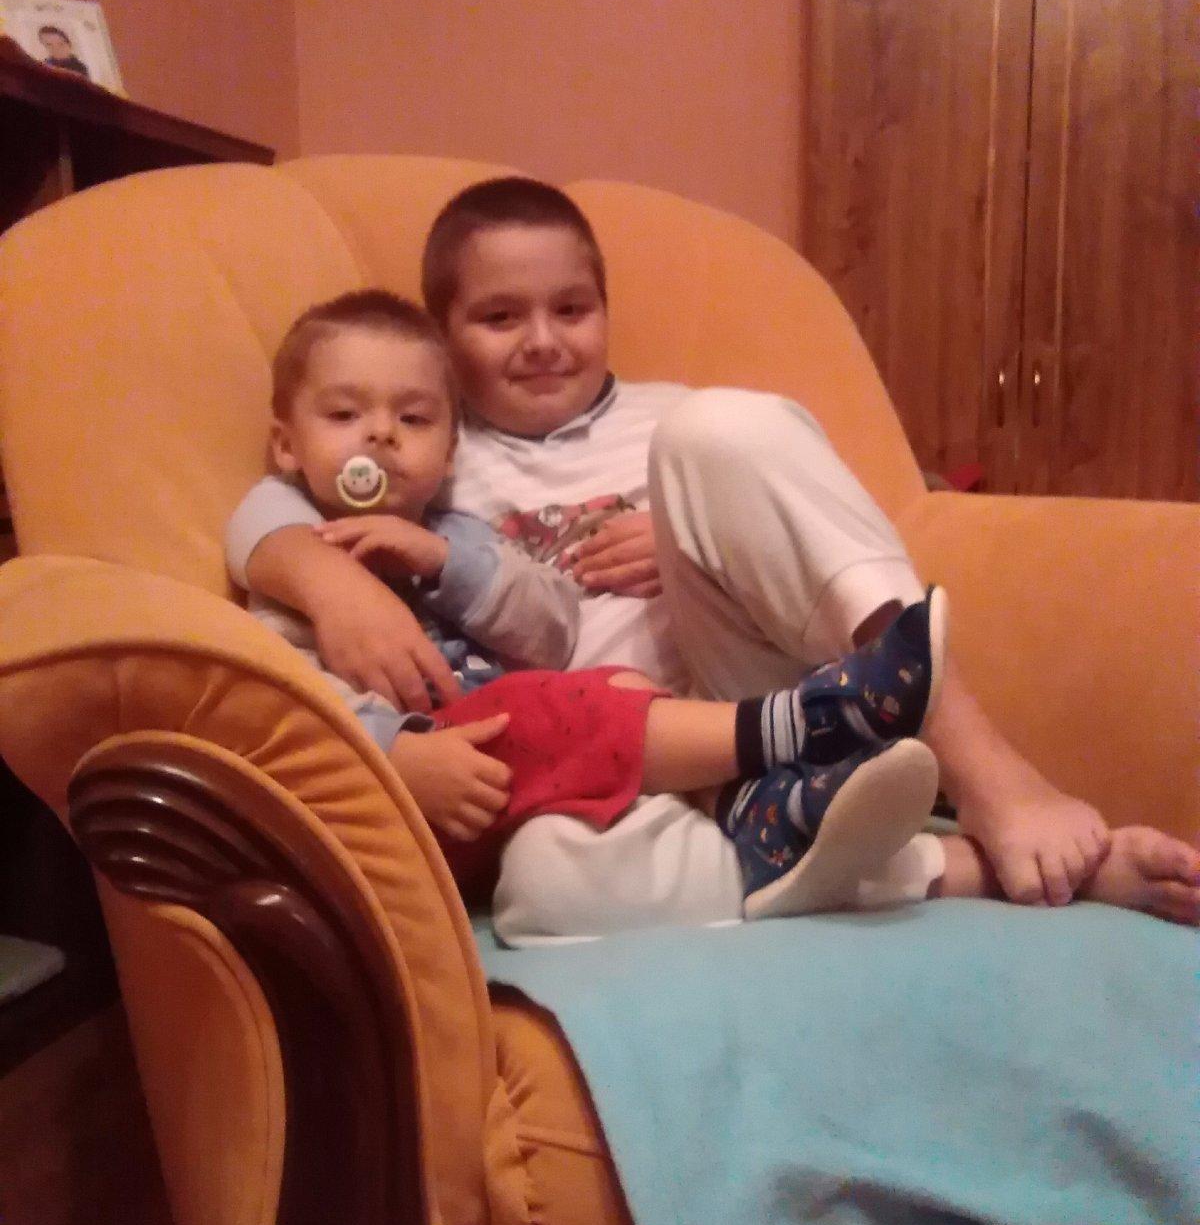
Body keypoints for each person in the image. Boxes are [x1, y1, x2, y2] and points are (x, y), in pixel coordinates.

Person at [240, 184, 1200, 938]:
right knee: (547, 886)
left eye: (572, 308)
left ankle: (989, 774)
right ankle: (950, 869)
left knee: (723, 430)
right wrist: (331, 584)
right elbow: (274, 511)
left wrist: (690, 536)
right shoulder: (429, 447)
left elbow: (826, 533)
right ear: (441, 342)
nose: (542, 342)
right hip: (609, 781)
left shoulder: (672, 416)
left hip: (763, 696)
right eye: (499, 319)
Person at [227, 289, 946, 923]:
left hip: (513, 802)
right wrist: (394, 754)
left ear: (449, 454)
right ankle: (809, 723)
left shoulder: (457, 536)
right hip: (403, 791)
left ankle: (767, 822)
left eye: (413, 419)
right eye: (345, 414)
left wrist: (446, 561)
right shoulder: (291, 556)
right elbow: (284, 699)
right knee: (546, 706)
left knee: (553, 867)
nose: (381, 433)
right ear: (286, 446)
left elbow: (551, 629)